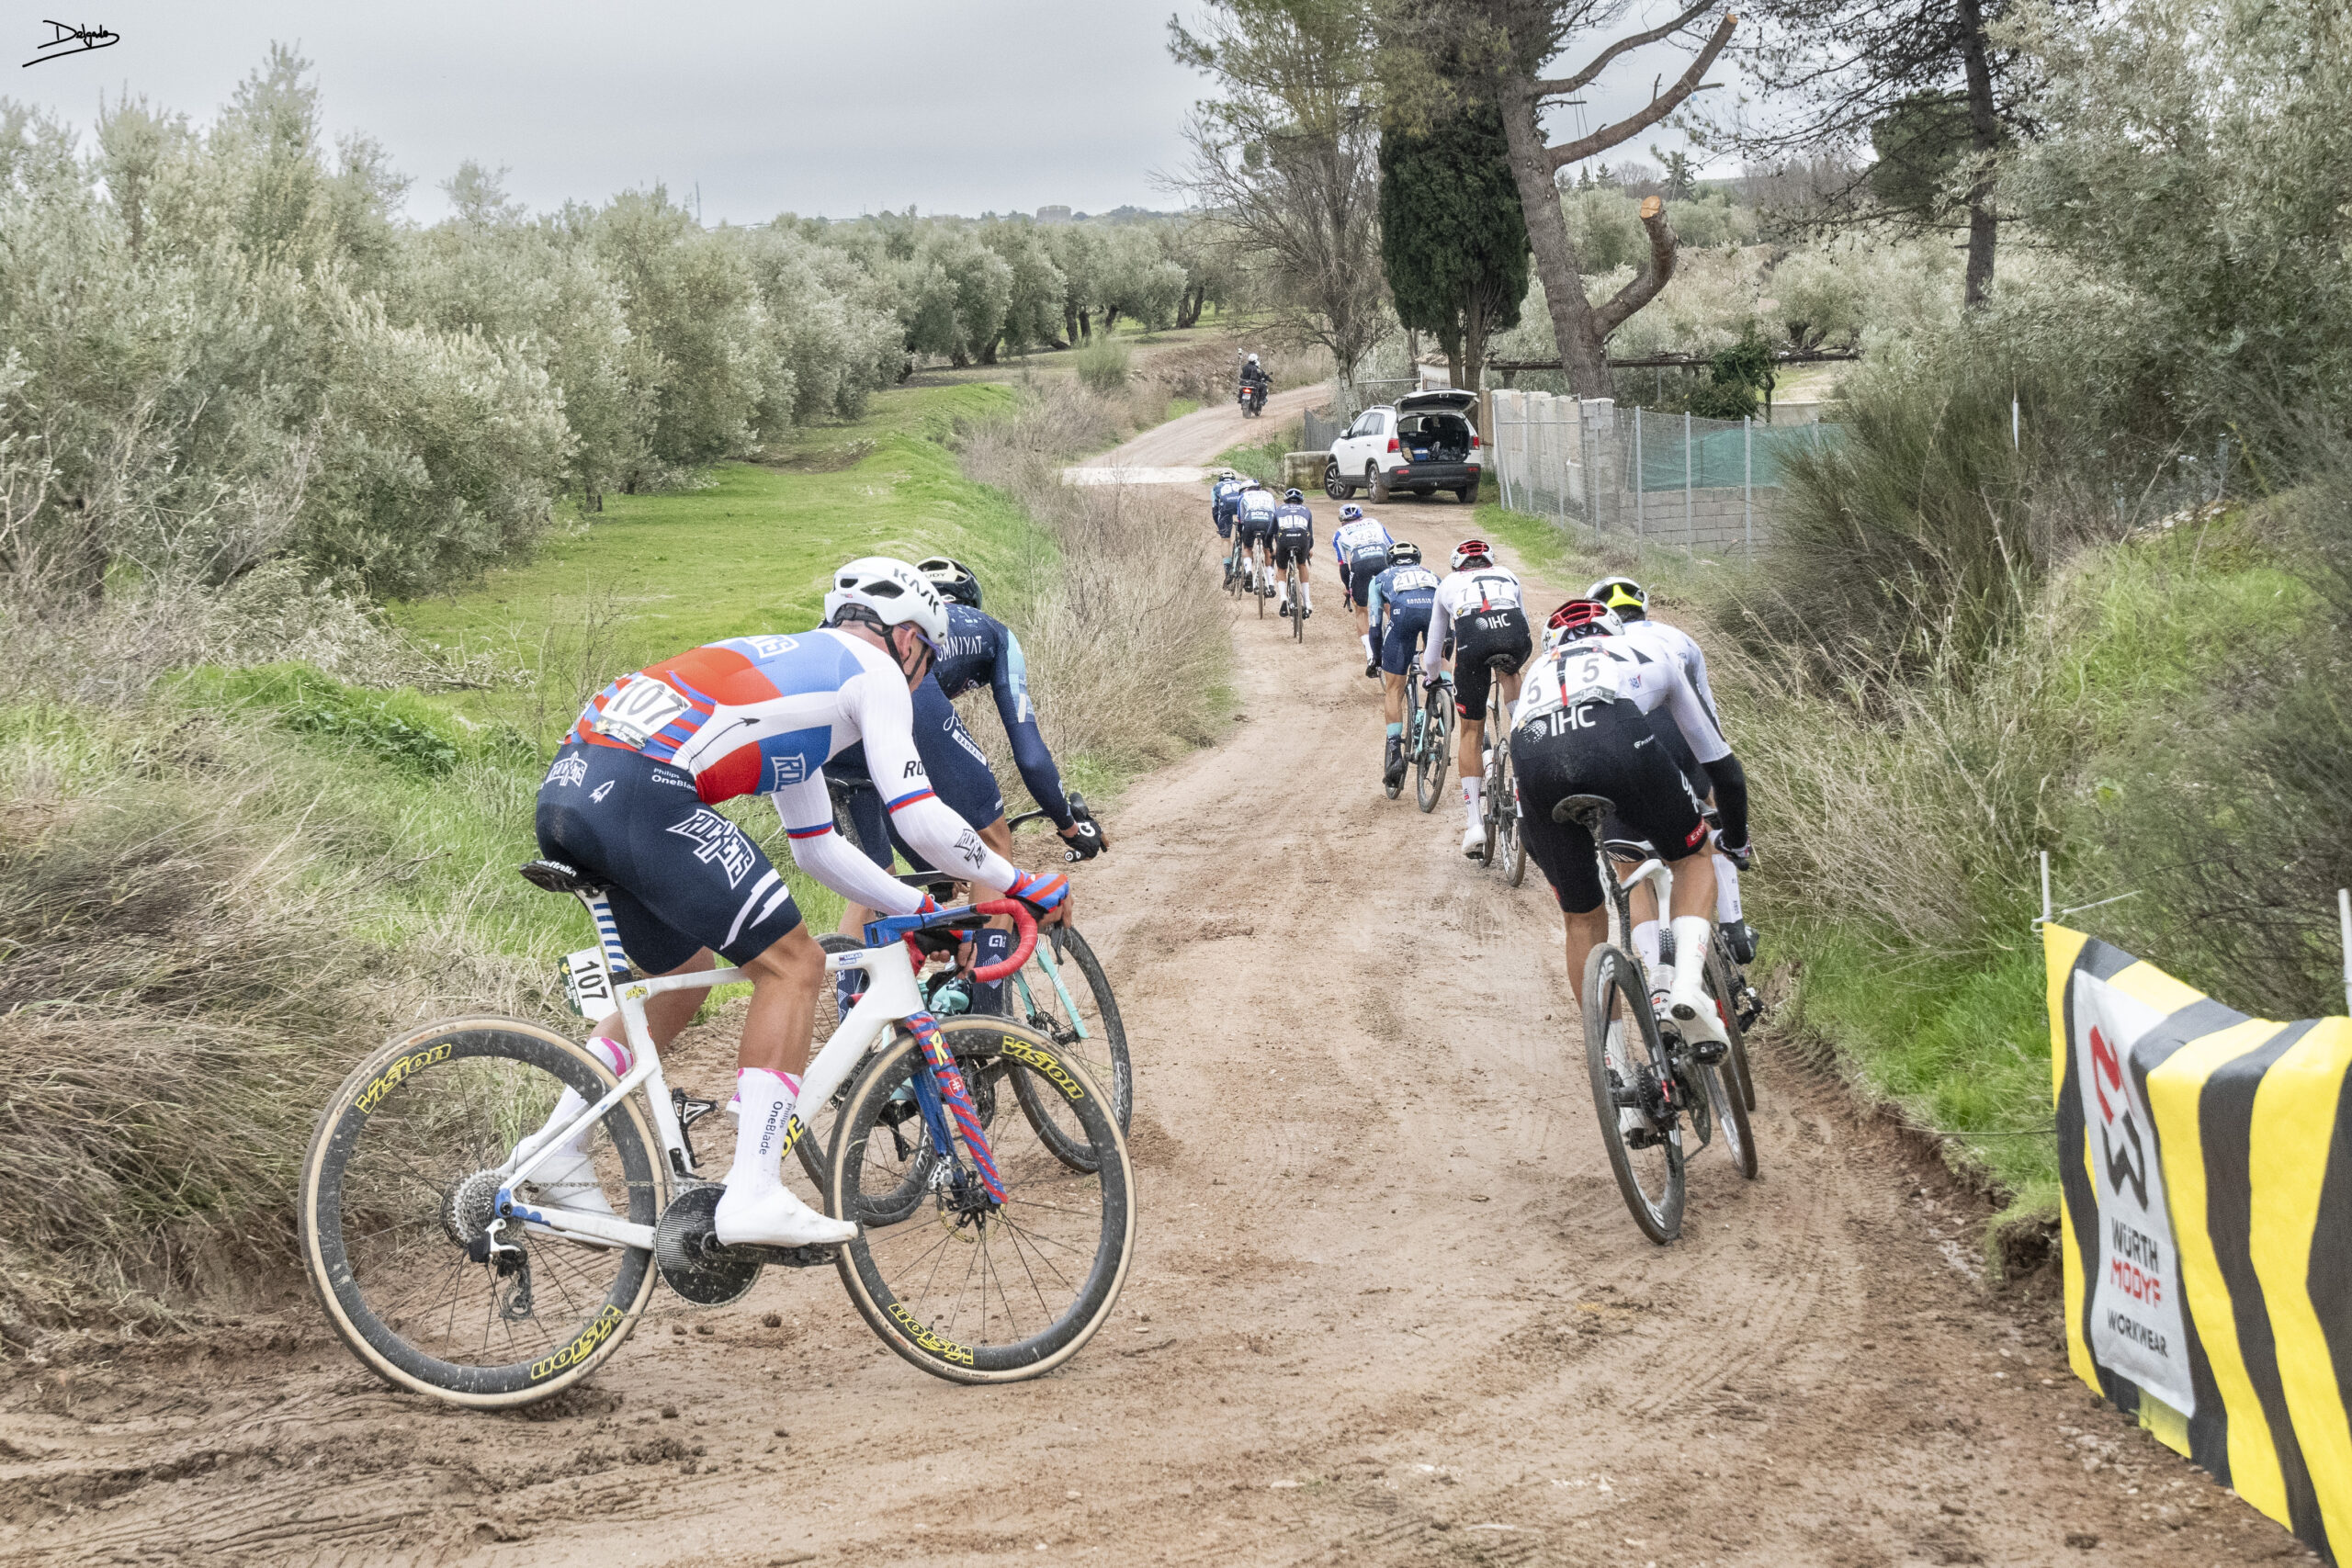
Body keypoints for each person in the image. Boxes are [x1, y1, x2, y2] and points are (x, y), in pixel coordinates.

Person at [528, 557, 1073, 1249]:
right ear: (907, 640)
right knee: (794, 966)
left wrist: (918, 907)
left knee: (679, 977)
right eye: (926, 660)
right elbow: (919, 817)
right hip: (642, 790)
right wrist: (1021, 881)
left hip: (573, 788)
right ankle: (754, 1188)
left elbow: (817, 846)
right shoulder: (873, 671)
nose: (924, 677)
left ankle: (555, 1144)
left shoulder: (805, 680)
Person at [825, 555, 1102, 1008]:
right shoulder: (993, 632)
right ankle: (988, 1011)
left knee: (871, 881)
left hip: (829, 715)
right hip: (896, 700)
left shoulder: (884, 622)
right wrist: (1070, 824)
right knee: (991, 839)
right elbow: (1031, 758)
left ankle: (853, 1036)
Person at [1509, 598, 1752, 1052]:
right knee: (1693, 856)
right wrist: (1734, 838)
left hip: (1534, 755)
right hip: (1615, 739)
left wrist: (1558, 869)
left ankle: (1616, 1065)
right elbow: (1721, 766)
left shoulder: (1540, 670)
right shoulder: (1649, 651)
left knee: (1581, 920)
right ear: (1615, 633)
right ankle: (1684, 985)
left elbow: (1527, 813)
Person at [1585, 574, 1753, 967]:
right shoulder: (1678, 638)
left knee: (1632, 869)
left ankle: (1657, 977)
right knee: (1711, 815)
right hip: (1680, 737)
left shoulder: (1593, 647)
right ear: (1642, 607)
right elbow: (1706, 715)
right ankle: (1733, 926)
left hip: (1619, 750)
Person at [1421, 539, 1532, 856]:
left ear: (1458, 565)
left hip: (1473, 638)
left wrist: (1432, 678)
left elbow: (1432, 653)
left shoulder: (1448, 584)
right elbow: (1521, 621)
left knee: (1470, 732)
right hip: (1515, 636)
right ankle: (1525, 732)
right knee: (1510, 673)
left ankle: (1474, 827)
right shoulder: (1509, 575)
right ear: (1490, 562)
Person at [1364, 540, 1440, 789]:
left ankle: (1395, 751)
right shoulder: (1432, 574)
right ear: (1417, 561)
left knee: (1394, 688)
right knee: (1442, 663)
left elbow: (1375, 625)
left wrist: (1376, 658)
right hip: (1434, 612)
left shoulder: (1380, 578)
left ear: (1391, 561)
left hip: (1403, 615)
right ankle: (1442, 713)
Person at [1329, 503, 1396, 674]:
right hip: (1383, 560)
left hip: (1360, 565)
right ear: (1362, 517)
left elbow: (1343, 565)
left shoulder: (1339, 533)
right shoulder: (1374, 522)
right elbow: (1393, 546)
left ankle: (1371, 654)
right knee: (1389, 601)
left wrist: (1348, 588)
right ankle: (1396, 634)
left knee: (1361, 609)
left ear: (1343, 521)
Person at [1270, 492, 1316, 619]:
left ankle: (1283, 597)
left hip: (1284, 539)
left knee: (1281, 569)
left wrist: (1270, 548)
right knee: (1302, 564)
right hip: (1302, 539)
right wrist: (1308, 549)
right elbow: (1310, 535)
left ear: (1286, 501)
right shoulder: (1306, 510)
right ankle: (1307, 602)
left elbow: (1271, 533)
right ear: (1301, 501)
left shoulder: (1279, 510)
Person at [1234, 481, 1281, 597]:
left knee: (1247, 548)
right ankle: (1270, 584)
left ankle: (1248, 570)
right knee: (1267, 549)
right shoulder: (1268, 495)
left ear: (1245, 489)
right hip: (1268, 521)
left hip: (1251, 521)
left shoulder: (1243, 496)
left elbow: (1241, 519)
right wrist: (1275, 538)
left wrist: (1240, 533)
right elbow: (1275, 514)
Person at [1211, 468, 1248, 582]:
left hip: (1225, 508)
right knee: (1246, 540)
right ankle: (1247, 568)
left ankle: (1227, 572)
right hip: (1240, 505)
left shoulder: (1217, 486)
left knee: (1225, 540)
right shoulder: (1240, 484)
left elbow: (1215, 508)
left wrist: (1220, 527)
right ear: (1233, 479)